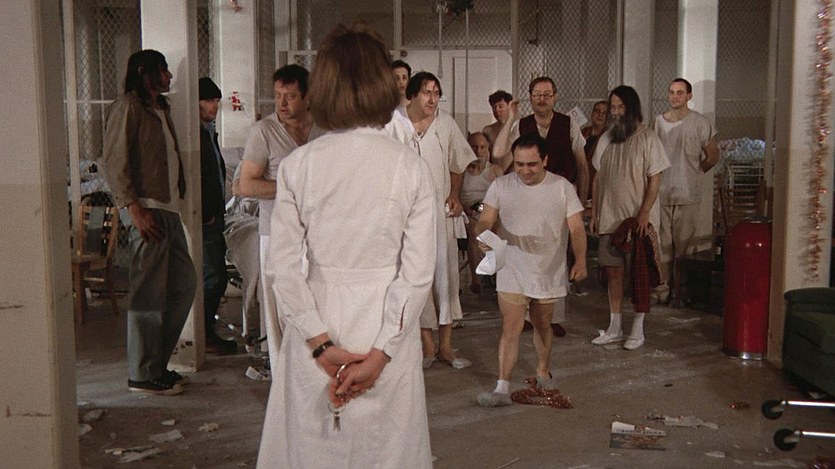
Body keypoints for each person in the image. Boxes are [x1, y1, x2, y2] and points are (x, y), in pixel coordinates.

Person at [256, 24, 436, 468]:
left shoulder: (298, 166)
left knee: (315, 449)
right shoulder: (410, 168)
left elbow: (282, 266)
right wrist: (382, 353)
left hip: (317, 319)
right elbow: (417, 275)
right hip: (386, 324)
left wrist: (320, 345)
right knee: (386, 452)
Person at [101, 50, 196, 396]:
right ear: (144, 72)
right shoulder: (128, 106)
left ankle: (155, 365)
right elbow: (114, 161)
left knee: (184, 284)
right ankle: (142, 374)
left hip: (168, 209)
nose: (169, 76)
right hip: (147, 210)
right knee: (148, 294)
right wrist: (134, 210)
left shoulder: (161, 109)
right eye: (163, 70)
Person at [474, 134, 587, 406]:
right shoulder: (500, 186)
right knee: (510, 327)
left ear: (545, 160)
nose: (525, 170)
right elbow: (486, 219)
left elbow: (576, 228)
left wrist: (581, 260)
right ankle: (502, 387)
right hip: (512, 266)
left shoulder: (562, 187)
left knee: (542, 324)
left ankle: (543, 370)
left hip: (548, 268)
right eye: (519, 164)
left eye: (532, 164)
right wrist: (484, 237)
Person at [386, 71, 476, 370]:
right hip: (406, 215)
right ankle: (426, 345)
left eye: (437, 93)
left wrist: (454, 193)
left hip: (439, 211)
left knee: (445, 275)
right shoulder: (392, 124)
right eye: (427, 92)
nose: (433, 98)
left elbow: (458, 162)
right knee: (414, 275)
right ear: (412, 95)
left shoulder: (445, 123)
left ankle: (446, 346)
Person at [492, 76, 589, 337]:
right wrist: (510, 118)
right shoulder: (522, 125)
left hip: (559, 197)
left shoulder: (568, 124)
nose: (542, 99)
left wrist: (582, 200)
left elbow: (582, 164)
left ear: (555, 97)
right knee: (523, 252)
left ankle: (552, 315)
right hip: (525, 198)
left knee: (556, 256)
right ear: (530, 98)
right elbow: (499, 153)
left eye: (547, 94)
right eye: (537, 95)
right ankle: (524, 313)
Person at [237, 64, 322, 361]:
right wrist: (291, 188)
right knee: (278, 308)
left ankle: (312, 368)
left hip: (318, 235)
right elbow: (245, 185)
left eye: (290, 96)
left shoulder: (323, 129)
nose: (282, 103)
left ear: (307, 97)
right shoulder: (264, 131)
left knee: (315, 304)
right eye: (277, 96)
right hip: (276, 233)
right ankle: (280, 369)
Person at [590, 85, 670, 351]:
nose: (615, 112)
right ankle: (615, 327)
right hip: (609, 217)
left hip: (637, 221)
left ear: (632, 108)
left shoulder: (648, 138)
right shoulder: (606, 139)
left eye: (620, 107)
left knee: (639, 275)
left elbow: (655, 178)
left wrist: (644, 213)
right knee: (613, 272)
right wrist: (596, 213)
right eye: (613, 107)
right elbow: (598, 178)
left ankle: (638, 329)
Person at [652, 78, 720, 303]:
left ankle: (679, 293)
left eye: (680, 92)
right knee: (663, 245)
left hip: (688, 193)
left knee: (684, 247)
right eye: (672, 92)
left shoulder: (700, 122)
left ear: (689, 96)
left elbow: (713, 156)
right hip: (662, 192)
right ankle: (663, 289)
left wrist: (695, 173)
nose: (675, 96)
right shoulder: (658, 122)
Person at [197, 77, 237, 355]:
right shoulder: (196, 134)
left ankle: (206, 331)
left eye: (216, 101)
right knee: (214, 277)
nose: (214, 106)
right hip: (207, 217)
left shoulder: (209, 131)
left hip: (215, 214)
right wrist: (206, 212)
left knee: (215, 274)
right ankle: (204, 334)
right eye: (209, 101)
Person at [461, 131, 503, 294]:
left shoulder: (495, 171)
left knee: (498, 229)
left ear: (487, 149)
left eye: (482, 147)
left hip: (489, 211)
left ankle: (498, 276)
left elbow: (502, 198)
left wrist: (486, 210)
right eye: (474, 147)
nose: (478, 151)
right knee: (474, 231)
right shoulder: (461, 171)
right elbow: (455, 195)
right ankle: (475, 279)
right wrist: (467, 208)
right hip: (467, 213)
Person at [581, 100, 609, 195]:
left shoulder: (609, 137)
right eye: (597, 111)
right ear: (592, 113)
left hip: (598, 182)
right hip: (581, 178)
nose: (600, 115)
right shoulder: (583, 132)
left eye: (604, 113)